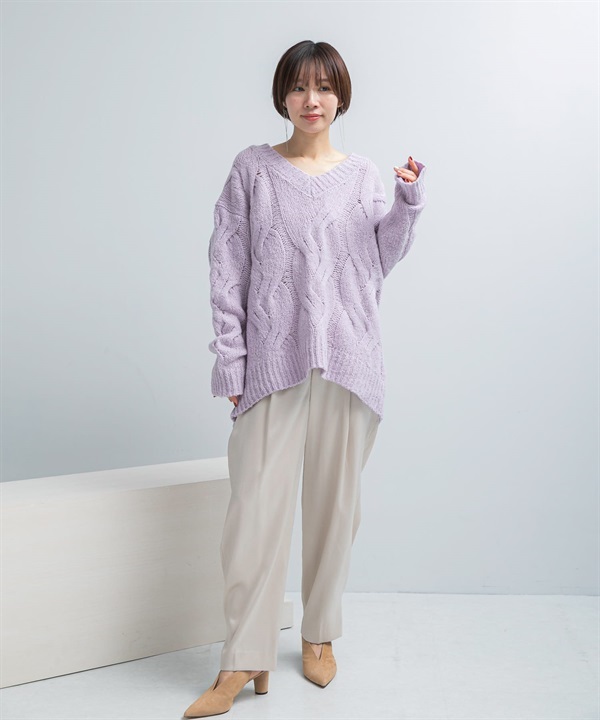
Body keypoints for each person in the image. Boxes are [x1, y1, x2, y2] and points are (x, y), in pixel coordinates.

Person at [183, 39, 427, 718]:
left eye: (323, 87)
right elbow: (226, 266)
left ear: (340, 96)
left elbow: (379, 257)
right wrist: (231, 358)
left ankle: (319, 632)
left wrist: (407, 203)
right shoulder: (252, 170)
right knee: (253, 513)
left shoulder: (363, 174)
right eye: (298, 87)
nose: (311, 100)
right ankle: (244, 656)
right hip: (271, 365)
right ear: (282, 96)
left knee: (335, 508)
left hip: (350, 362)